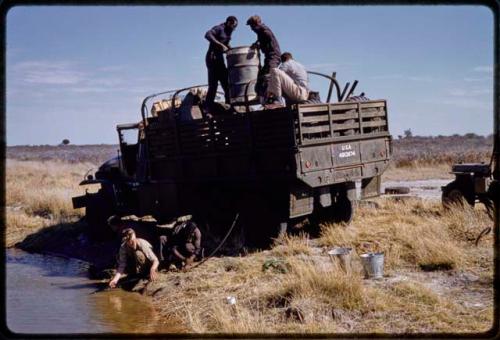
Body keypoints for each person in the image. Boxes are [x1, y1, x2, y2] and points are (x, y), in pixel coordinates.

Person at [204, 16, 238, 110]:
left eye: (235, 27)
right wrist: (220, 45)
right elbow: (207, 35)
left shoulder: (229, 32)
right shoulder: (219, 28)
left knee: (226, 84)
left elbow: (225, 43)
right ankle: (207, 109)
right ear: (228, 23)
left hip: (220, 59)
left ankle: (230, 106)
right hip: (212, 58)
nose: (233, 29)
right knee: (213, 85)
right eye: (233, 26)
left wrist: (231, 49)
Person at [246, 15, 281, 102]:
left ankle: (274, 99)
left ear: (257, 24)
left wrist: (260, 44)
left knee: (268, 77)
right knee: (260, 77)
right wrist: (256, 43)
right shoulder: (260, 32)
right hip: (268, 57)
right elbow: (261, 39)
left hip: (273, 57)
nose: (251, 29)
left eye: (252, 26)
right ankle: (260, 96)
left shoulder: (264, 31)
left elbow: (268, 38)